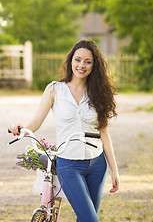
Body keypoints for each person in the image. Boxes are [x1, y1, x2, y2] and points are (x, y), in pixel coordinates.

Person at [9, 39, 120, 222]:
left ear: (94, 65)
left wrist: (115, 170)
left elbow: (104, 132)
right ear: (70, 61)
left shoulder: (99, 93)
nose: (81, 65)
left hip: (97, 165)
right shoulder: (55, 90)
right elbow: (37, 120)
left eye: (88, 61)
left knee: (85, 218)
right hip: (69, 164)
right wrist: (22, 130)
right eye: (77, 59)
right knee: (90, 220)